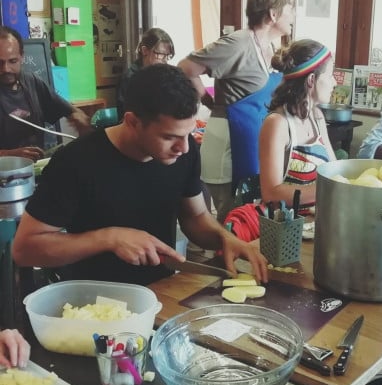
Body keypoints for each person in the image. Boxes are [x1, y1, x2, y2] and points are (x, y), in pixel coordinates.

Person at [12, 64, 268, 284]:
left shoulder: (184, 152)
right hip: (94, 306)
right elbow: (25, 249)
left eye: (187, 134)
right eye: (169, 137)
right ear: (133, 122)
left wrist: (225, 239)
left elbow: (195, 216)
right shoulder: (75, 162)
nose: (184, 147)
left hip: (161, 293)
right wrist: (109, 238)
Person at [178, 0, 296, 223]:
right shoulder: (238, 43)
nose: (294, 14)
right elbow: (185, 68)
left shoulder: (270, 46)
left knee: (247, 220)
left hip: (250, 143)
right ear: (273, 14)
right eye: (290, 8)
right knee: (230, 223)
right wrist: (208, 100)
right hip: (229, 147)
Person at [259, 39, 337, 207]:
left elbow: (334, 171)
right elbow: (271, 194)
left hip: (320, 217)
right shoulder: (278, 124)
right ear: (311, 80)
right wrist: (329, 189)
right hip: (289, 227)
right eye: (330, 75)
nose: (335, 83)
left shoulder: (317, 117)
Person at [0, 26, 91, 161]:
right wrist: (10, 155)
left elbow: (71, 112)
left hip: (34, 170)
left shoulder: (32, 82)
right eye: (0, 63)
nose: (6, 69)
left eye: (13, 61)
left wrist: (79, 118)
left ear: (22, 57)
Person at [116, 27, 175, 120]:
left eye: (168, 55)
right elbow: (127, 115)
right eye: (160, 54)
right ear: (145, 51)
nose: (165, 60)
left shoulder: (162, 74)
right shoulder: (131, 77)